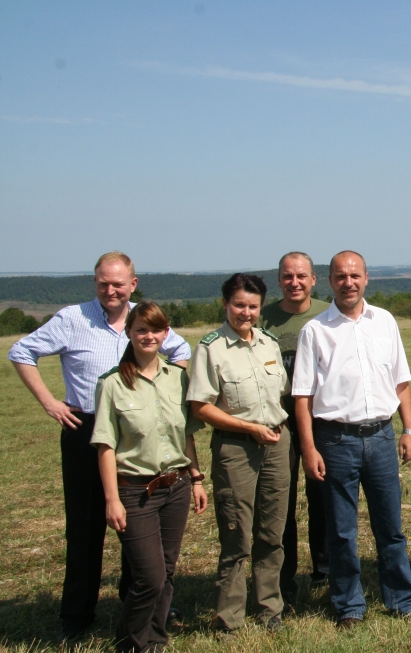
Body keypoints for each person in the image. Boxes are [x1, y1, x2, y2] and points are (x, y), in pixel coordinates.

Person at [7, 252, 191, 640]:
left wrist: (166, 397)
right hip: (87, 428)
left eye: (118, 284)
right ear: (95, 283)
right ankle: (76, 616)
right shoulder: (72, 318)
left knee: (141, 518)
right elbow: (21, 352)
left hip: (137, 432)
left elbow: (181, 352)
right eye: (103, 283)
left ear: (133, 284)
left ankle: (140, 602)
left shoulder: (145, 318)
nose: (111, 290)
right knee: (87, 527)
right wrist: (50, 402)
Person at [293, 251, 411, 627]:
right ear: (329, 281)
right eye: (340, 276)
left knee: (390, 526)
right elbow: (302, 396)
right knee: (341, 529)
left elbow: (400, 380)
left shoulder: (384, 321)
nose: (348, 282)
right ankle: (349, 605)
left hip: (381, 436)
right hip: (335, 440)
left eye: (355, 275)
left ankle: (401, 598)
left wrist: (409, 429)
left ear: (366, 278)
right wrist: (308, 448)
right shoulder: (315, 331)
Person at [92, 302, 208, 652]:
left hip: (176, 486)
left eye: (155, 329)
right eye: (141, 329)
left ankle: (155, 639)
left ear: (165, 333)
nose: (148, 336)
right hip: (134, 491)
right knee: (149, 577)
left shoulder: (178, 378)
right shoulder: (111, 384)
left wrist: (197, 477)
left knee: (168, 572)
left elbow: (185, 435)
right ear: (128, 332)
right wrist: (111, 499)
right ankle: (129, 643)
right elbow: (105, 446)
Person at [186, 273, 290, 637]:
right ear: (225, 304)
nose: (246, 313)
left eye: (253, 306)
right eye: (239, 305)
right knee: (236, 534)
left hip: (277, 443)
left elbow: (280, 395)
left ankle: (269, 608)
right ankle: (229, 617)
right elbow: (200, 406)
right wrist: (249, 428)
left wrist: (270, 430)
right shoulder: (211, 348)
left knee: (272, 530)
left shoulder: (268, 343)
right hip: (236, 447)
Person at [258, 252, 331, 608]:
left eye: (301, 276)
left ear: (313, 279)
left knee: (322, 495)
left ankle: (325, 567)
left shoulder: (326, 314)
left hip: (322, 420)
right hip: (277, 421)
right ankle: (283, 574)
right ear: (279, 280)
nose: (295, 282)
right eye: (288, 276)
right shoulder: (264, 318)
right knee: (280, 500)